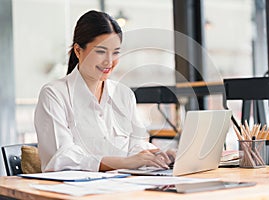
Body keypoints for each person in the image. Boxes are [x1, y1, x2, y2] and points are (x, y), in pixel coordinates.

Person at [34, 10, 176, 172]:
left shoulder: (124, 94)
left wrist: (156, 155)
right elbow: (61, 158)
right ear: (78, 51)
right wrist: (124, 163)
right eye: (101, 52)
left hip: (122, 187)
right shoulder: (54, 94)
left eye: (115, 52)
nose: (109, 61)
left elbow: (134, 145)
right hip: (76, 191)